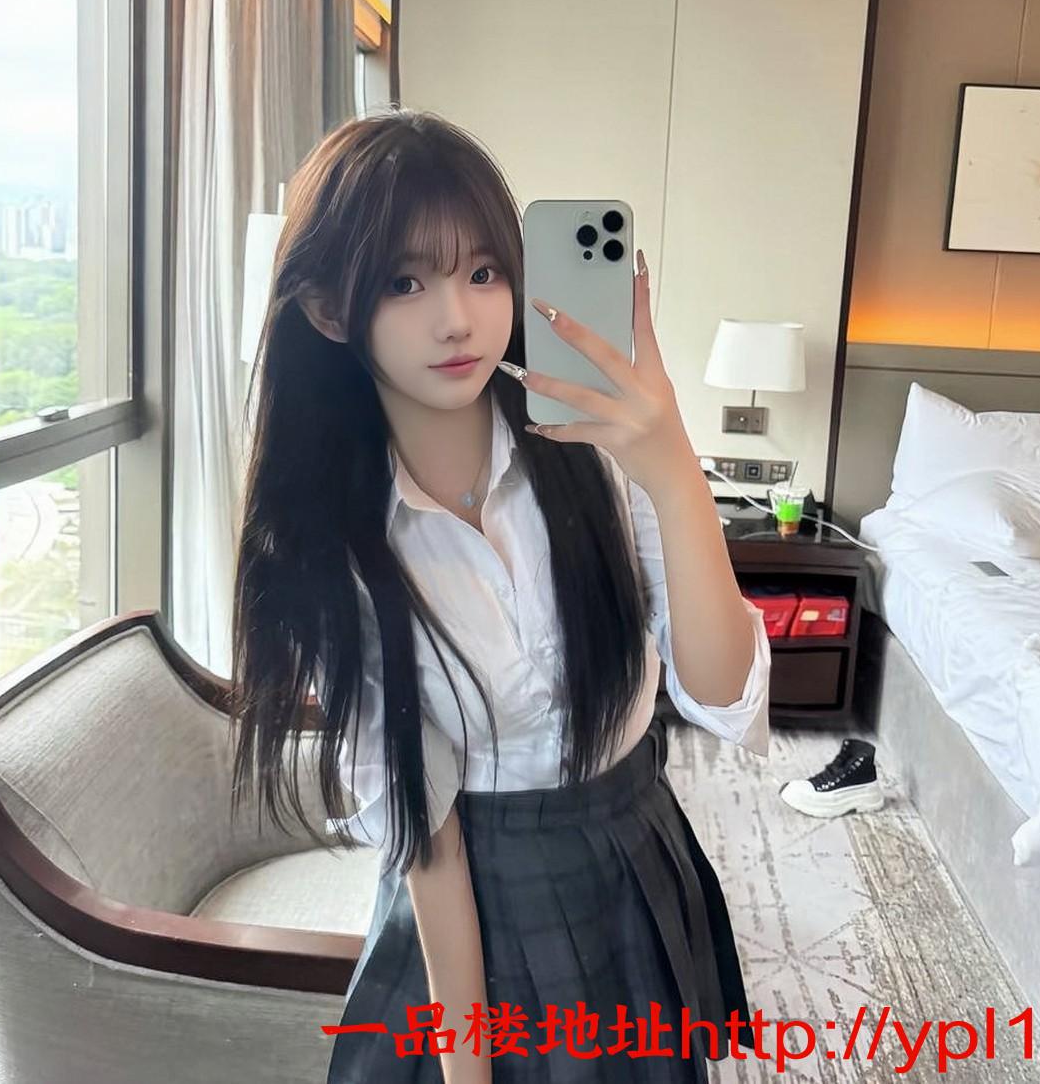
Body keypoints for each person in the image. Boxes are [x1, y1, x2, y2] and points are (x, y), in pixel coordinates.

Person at [229, 110, 772, 1083]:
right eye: (405, 282)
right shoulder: (327, 548)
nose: (458, 318)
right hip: (473, 906)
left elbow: (724, 694)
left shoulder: (592, 455)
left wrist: (673, 469)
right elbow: (425, 838)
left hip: (635, 845)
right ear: (328, 308)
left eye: (484, 271)